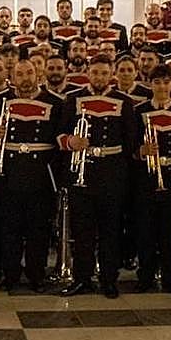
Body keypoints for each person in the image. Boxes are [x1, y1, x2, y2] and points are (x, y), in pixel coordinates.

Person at [59, 57, 137, 298]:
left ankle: (108, 279)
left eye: (104, 73)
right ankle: (82, 278)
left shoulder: (124, 102)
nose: (99, 77)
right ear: (88, 73)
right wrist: (70, 141)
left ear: (111, 74)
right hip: (82, 171)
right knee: (82, 231)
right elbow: (59, 133)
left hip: (112, 173)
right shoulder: (73, 98)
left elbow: (131, 140)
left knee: (110, 231)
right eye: (95, 72)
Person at [0, 59, 62, 293]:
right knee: (9, 229)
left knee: (37, 229)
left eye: (29, 73)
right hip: (8, 173)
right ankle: (10, 275)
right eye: (20, 74)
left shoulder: (56, 103)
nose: (26, 78)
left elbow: (60, 140)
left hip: (40, 173)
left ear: (38, 73)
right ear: (12, 76)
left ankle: (36, 275)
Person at [134, 66, 171, 293]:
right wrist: (141, 151)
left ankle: (169, 278)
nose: (161, 87)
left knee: (169, 231)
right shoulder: (139, 111)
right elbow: (131, 144)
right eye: (157, 82)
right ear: (150, 85)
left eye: (166, 82)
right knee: (145, 231)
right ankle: (145, 276)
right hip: (146, 179)